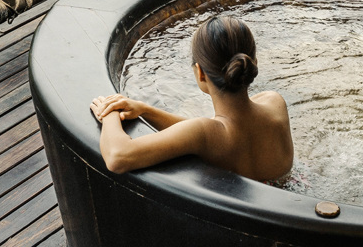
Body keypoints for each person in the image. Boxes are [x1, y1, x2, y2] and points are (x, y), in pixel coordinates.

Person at [88, 15, 293, 182]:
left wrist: (109, 113)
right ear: (254, 62)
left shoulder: (207, 135)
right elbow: (204, 132)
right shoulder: (275, 102)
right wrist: (146, 110)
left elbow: (118, 157)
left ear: (200, 73)